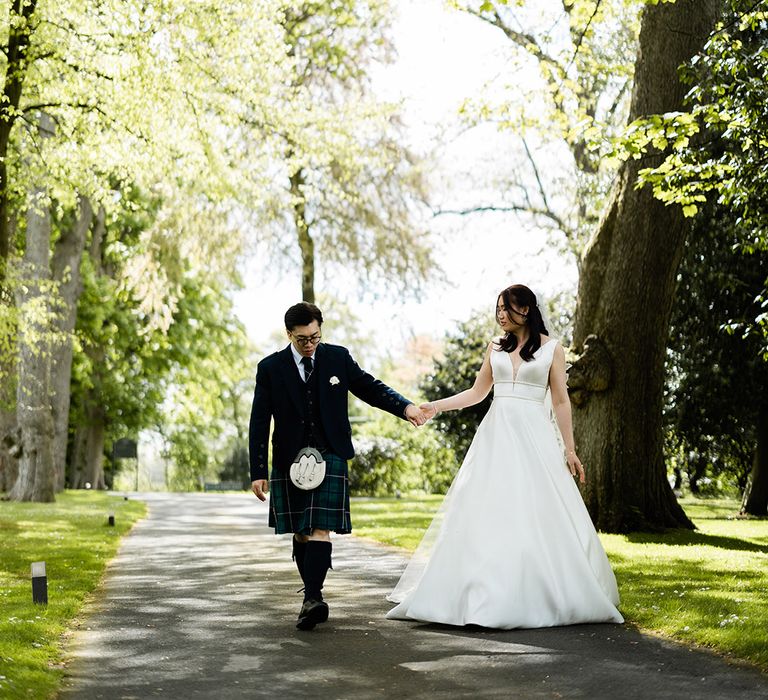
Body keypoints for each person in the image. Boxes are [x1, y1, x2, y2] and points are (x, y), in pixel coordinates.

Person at [386, 284, 623, 629]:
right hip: (496, 436)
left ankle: (543, 590)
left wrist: (569, 449)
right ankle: (478, 593)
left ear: (525, 309)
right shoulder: (495, 347)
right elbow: (477, 393)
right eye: (497, 309)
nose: (500, 315)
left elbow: (560, 400)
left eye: (506, 308)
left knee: (537, 509)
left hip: (534, 437)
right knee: (486, 508)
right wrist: (435, 406)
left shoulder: (551, 349)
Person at [249, 301, 426, 630]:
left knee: (319, 527)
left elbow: (370, 388)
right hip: (290, 458)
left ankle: (312, 597)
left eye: (315, 336)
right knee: (302, 531)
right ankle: (310, 596)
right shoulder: (270, 368)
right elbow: (259, 421)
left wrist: (405, 407)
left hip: (329, 451)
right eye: (302, 339)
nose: (310, 344)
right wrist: (258, 470)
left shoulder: (337, 358)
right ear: (289, 334)